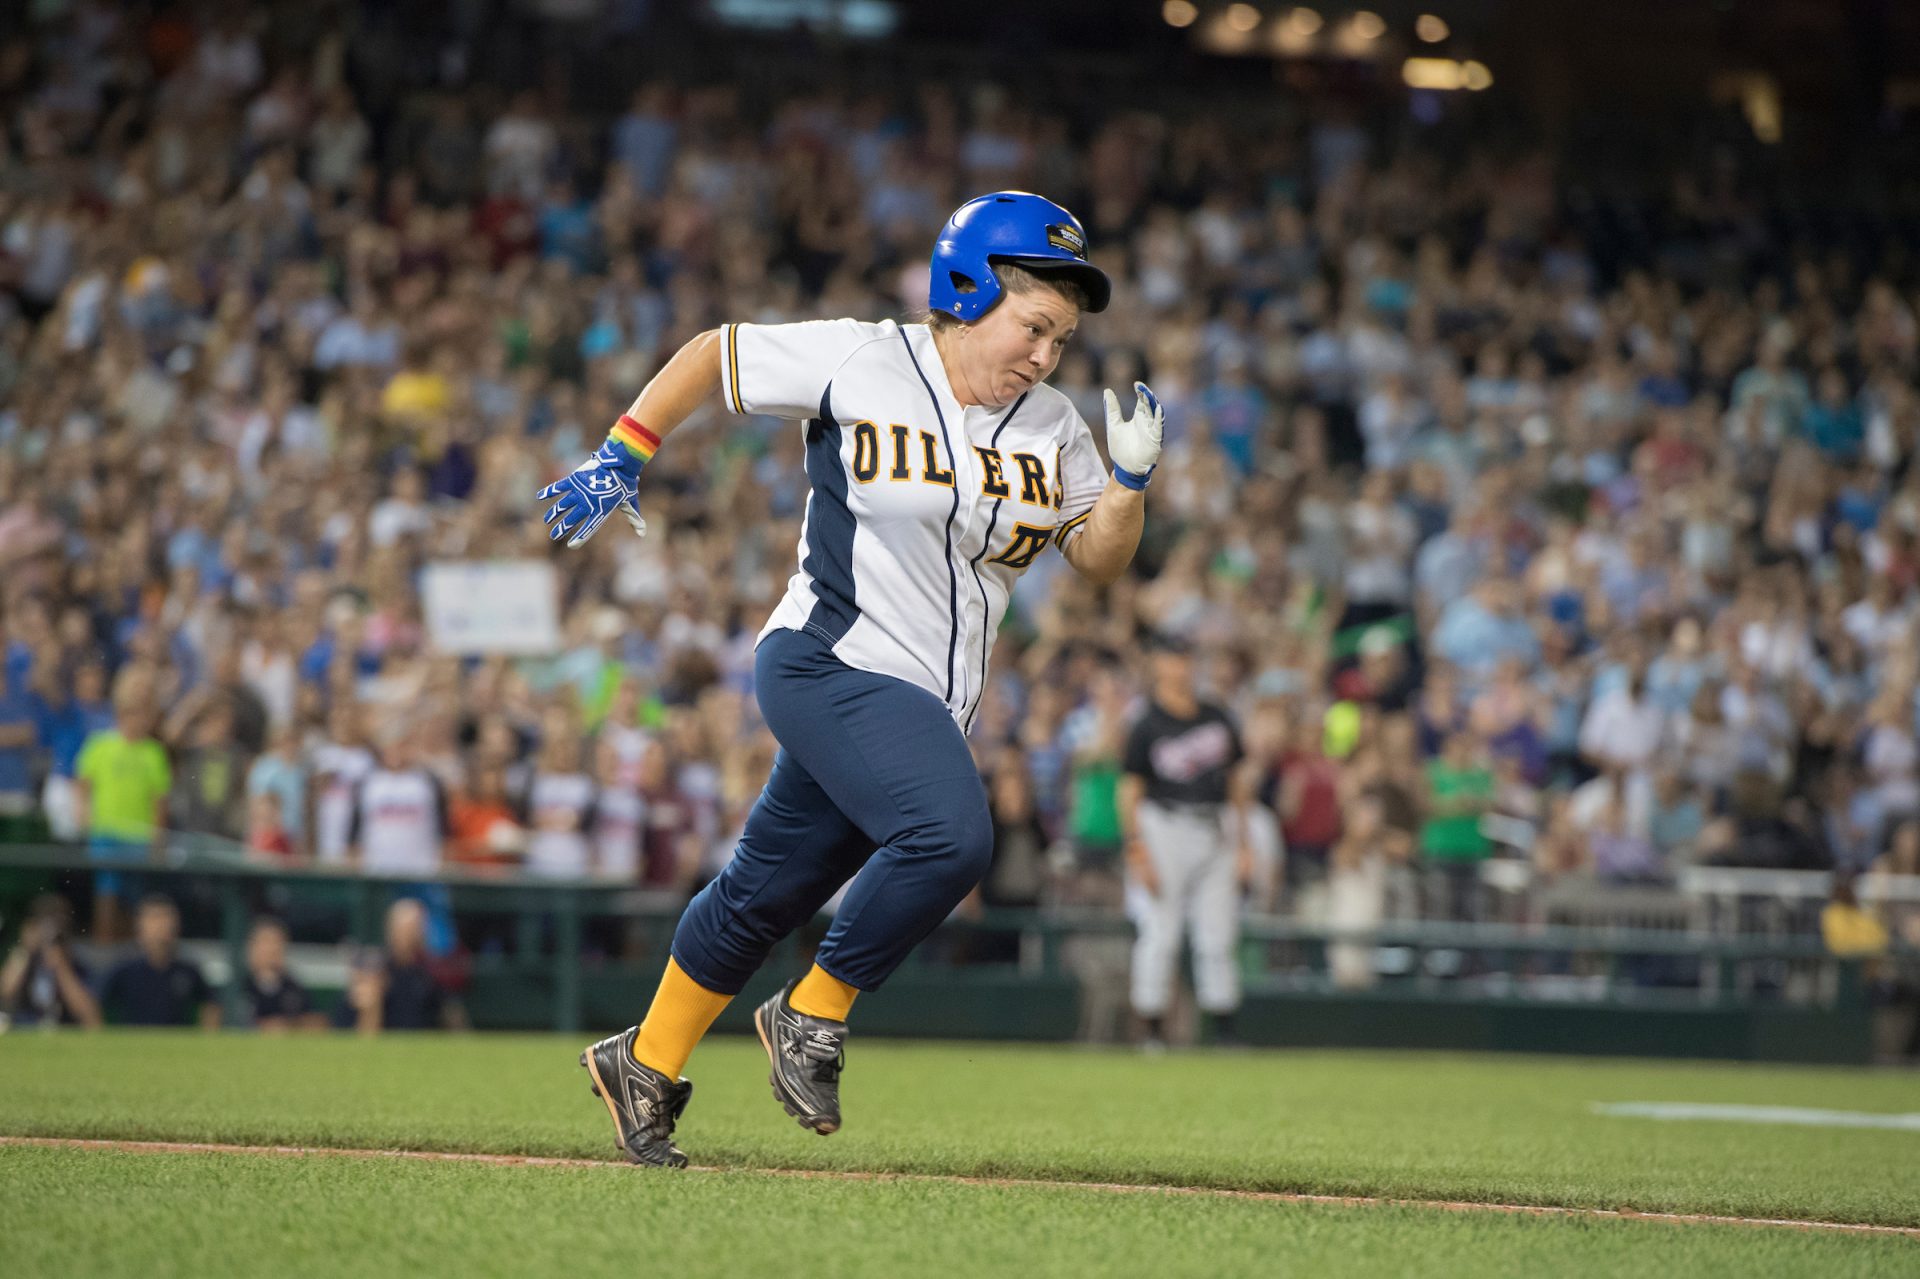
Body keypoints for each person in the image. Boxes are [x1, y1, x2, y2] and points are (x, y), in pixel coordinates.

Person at [548, 192, 1159, 1166]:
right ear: (969, 288)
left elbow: (1097, 559)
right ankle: (812, 1012)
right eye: (1034, 324)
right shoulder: (864, 358)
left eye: (1061, 338)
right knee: (952, 837)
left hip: (919, 707)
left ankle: (644, 1063)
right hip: (828, 657)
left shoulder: (1054, 426)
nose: (1046, 355)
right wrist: (625, 451)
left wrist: (1127, 486)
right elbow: (716, 351)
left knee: (760, 894)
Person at [1120, 633, 1254, 1050]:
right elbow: (1129, 790)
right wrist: (1137, 849)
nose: (1181, 666)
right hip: (1164, 825)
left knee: (1218, 932)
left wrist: (1245, 841)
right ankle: (1153, 1031)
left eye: (1186, 658)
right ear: (1158, 665)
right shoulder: (1146, 723)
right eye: (1173, 658)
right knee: (1161, 930)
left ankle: (1225, 1032)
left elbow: (1237, 782)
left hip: (1214, 825)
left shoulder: (1217, 715)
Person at [74, 672, 172, 942]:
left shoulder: (153, 752)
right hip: (106, 832)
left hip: (138, 836)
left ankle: (132, 948)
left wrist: (157, 837)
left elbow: (159, 800)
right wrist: (83, 813)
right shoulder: (100, 745)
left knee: (135, 899)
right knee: (106, 894)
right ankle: (104, 945)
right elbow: (82, 782)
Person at [332, 898, 455, 1034]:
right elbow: (363, 1034)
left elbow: (449, 1015)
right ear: (391, 928)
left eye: (415, 928)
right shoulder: (376, 969)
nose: (409, 935)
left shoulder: (427, 973)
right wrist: (372, 1002)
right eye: (405, 929)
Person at [99, 895, 218, 1028]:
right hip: (133, 1042)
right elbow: (95, 1001)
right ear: (140, 925)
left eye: (168, 917)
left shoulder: (188, 969)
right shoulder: (124, 967)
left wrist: (208, 1040)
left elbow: (211, 1005)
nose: (163, 924)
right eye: (155, 918)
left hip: (177, 1043)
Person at [0, 894, 102, 1028]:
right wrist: (26, 949)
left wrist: (61, 967)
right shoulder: (23, 959)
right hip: (23, 1025)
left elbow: (90, 1016)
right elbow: (5, 993)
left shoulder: (78, 966)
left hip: (63, 1028)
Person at [242, 916, 322, 1030]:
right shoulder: (237, 988)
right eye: (266, 942)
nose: (272, 949)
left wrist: (289, 1025)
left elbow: (316, 1022)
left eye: (277, 942)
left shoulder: (294, 987)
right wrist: (263, 1027)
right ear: (252, 946)